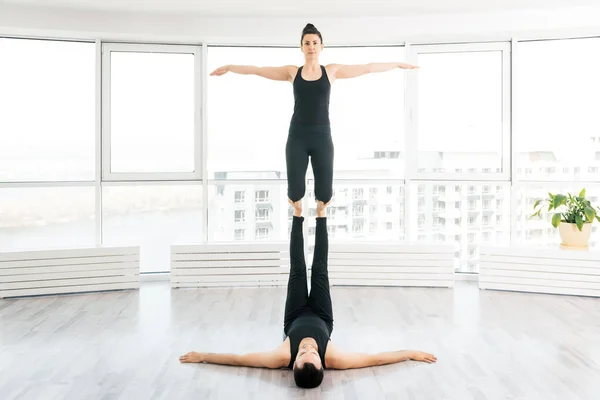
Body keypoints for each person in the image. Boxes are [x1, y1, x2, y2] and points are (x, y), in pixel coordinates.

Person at [179, 200, 437, 388]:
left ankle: (298, 214)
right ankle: (322, 214)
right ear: (322, 362)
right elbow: (375, 359)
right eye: (311, 353)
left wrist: (202, 356)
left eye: (302, 354)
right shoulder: (333, 357)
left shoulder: (281, 356)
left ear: (293, 364)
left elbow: (239, 360)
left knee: (298, 268)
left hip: (294, 315)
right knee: (321, 269)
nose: (306, 348)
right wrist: (410, 353)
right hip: (323, 316)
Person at [209, 23, 419, 205]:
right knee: (295, 193)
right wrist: (229, 67)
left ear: (321, 46)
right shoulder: (293, 72)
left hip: (322, 137)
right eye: (307, 43)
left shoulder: (331, 71)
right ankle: (298, 210)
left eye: (315, 42)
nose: (311, 47)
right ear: (302, 47)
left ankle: (320, 215)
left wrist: (397, 64)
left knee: (325, 195)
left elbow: (367, 68)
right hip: (297, 137)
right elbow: (258, 70)